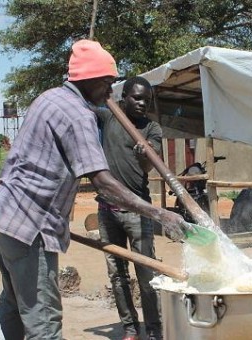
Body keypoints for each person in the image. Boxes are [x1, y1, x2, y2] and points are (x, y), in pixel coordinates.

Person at [0, 40, 193, 340]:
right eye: (107, 83)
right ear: (91, 80)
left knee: (15, 302)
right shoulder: (79, 115)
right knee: (43, 322)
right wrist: (159, 213)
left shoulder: (48, 98)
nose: (110, 92)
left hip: (4, 218)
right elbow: (103, 183)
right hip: (31, 228)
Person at [93, 76, 163, 340]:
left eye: (147, 99)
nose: (142, 103)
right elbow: (84, 102)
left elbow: (148, 167)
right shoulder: (108, 117)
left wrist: (143, 153)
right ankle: (131, 328)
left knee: (146, 274)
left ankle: (155, 331)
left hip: (139, 211)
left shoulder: (151, 129)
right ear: (124, 97)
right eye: (137, 97)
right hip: (107, 210)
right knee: (117, 274)